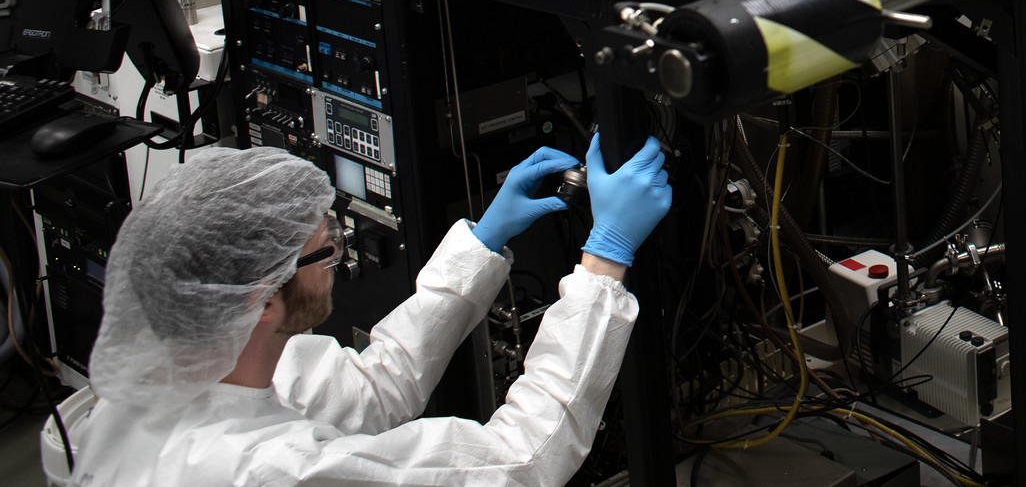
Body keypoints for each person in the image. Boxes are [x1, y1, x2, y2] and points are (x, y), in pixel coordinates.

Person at [48, 134, 673, 486]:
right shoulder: (269, 472)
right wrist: (603, 264)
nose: (341, 263)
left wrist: (482, 242)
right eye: (327, 252)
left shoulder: (191, 374)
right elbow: (519, 462)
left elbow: (376, 389)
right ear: (258, 302)